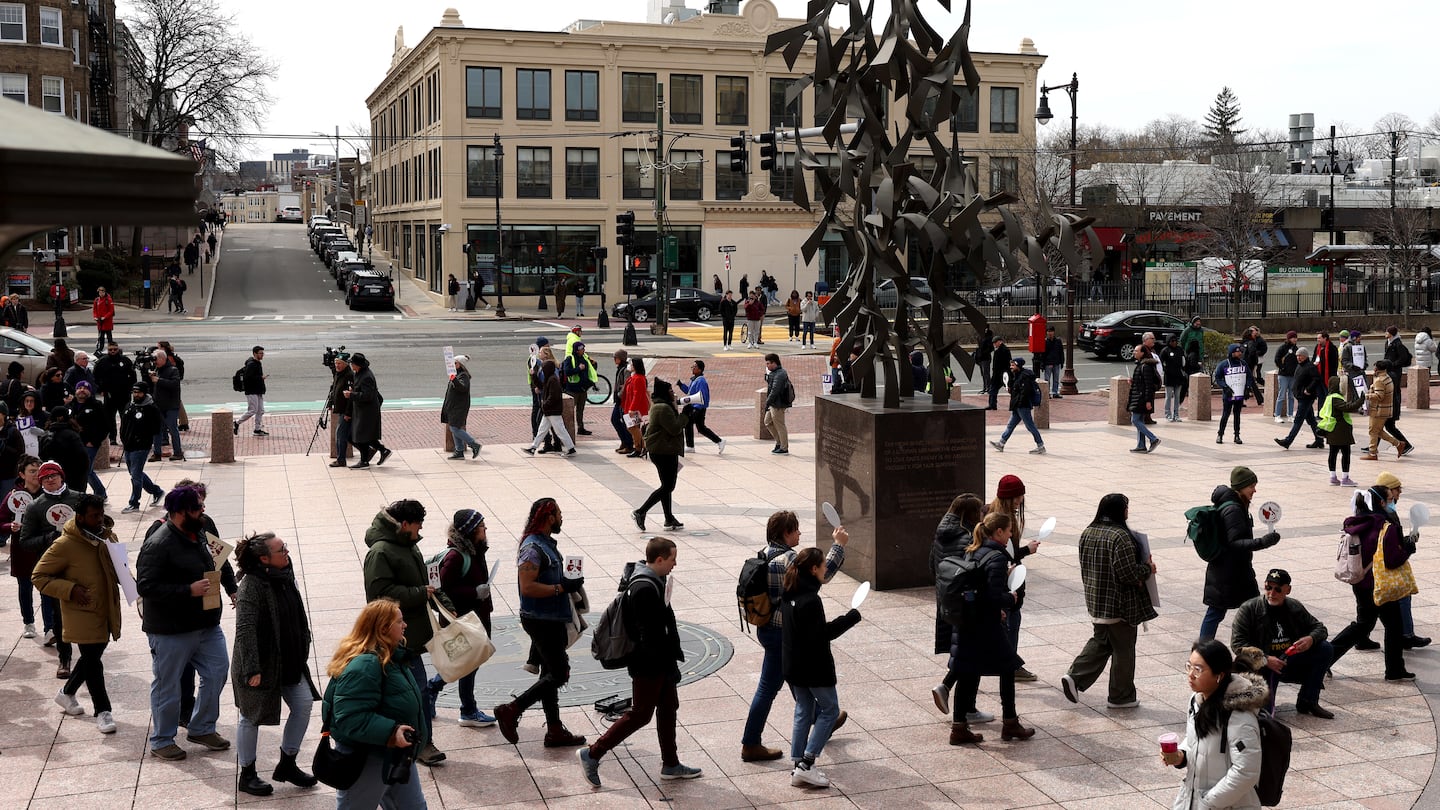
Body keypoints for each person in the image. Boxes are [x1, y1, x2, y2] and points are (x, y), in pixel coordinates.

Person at [578, 537, 701, 787]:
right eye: (672, 559)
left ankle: (671, 764)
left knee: (668, 708)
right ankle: (592, 753)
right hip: (649, 663)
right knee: (640, 714)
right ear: (658, 559)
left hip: (660, 661)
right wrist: (665, 662)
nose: (675, 564)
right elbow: (649, 634)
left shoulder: (653, 579)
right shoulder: (645, 588)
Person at [740, 511, 849, 761]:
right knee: (769, 688)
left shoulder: (764, 554)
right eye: (796, 530)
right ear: (786, 534)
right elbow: (822, 573)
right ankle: (751, 742)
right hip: (784, 633)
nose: (800, 533)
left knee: (795, 682)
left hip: (767, 628)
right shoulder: (789, 560)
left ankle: (821, 719)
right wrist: (838, 546)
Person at [135, 485, 231, 760]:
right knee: (168, 684)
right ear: (180, 512)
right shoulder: (158, 543)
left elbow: (218, 560)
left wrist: (230, 587)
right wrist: (187, 590)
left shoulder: (199, 532)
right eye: (197, 508)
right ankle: (162, 739)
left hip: (207, 623)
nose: (203, 511)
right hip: (171, 629)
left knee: (217, 672)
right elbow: (146, 586)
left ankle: (201, 727)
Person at [362, 499, 451, 767]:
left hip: (410, 636)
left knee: (415, 693)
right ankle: (420, 744)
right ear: (404, 524)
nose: (420, 529)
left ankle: (418, 742)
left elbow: (425, 581)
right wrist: (419, 594)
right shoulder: (380, 552)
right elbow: (378, 596)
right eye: (418, 524)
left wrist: (444, 604)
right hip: (393, 640)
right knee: (414, 694)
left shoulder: (407, 545)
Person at [493, 498, 588, 748]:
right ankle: (511, 710)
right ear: (549, 517)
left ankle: (554, 730)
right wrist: (560, 587)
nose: (561, 517)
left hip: (552, 617)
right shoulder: (532, 548)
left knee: (548, 674)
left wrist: (569, 580)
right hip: (542, 620)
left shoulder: (545, 544)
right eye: (559, 513)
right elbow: (527, 587)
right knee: (559, 673)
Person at [230, 532, 320, 796]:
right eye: (281, 550)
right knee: (251, 716)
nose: (287, 553)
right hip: (260, 664)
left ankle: (288, 763)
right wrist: (251, 669)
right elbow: (245, 629)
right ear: (264, 558)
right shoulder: (251, 585)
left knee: (303, 705)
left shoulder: (284, 575)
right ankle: (247, 775)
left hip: (289, 660)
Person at [323, 599, 427, 810]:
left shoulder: (392, 657)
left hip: (396, 754)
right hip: (367, 758)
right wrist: (392, 731)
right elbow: (350, 717)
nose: (404, 625)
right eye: (399, 621)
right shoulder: (366, 664)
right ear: (383, 628)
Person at [31, 494, 121, 734]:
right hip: (81, 611)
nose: (100, 520)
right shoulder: (64, 545)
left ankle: (66, 693)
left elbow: (119, 567)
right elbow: (38, 577)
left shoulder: (106, 537)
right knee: (93, 661)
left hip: (105, 608)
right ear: (80, 517)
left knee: (92, 656)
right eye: (94, 516)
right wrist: (70, 589)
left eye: (101, 514)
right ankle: (103, 711)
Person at [1060, 493, 1157, 711]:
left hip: (1097, 600)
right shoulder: (1120, 536)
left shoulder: (1088, 531)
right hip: (1119, 604)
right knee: (1123, 650)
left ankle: (1074, 677)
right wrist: (1147, 569)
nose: (1127, 512)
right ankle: (1121, 696)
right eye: (1126, 508)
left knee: (1102, 641)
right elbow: (1128, 574)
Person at [946, 512, 1036, 745]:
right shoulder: (996, 558)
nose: (1009, 536)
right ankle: (1010, 723)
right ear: (998, 532)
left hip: (967, 621)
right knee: (1008, 667)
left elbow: (979, 588)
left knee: (967, 671)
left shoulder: (973, 549)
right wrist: (1012, 598)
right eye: (1008, 531)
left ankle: (959, 727)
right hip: (986, 625)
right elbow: (995, 596)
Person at [780, 546, 863, 787]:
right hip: (814, 667)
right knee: (829, 710)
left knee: (803, 710)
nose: (826, 569)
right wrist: (850, 618)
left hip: (793, 665)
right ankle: (806, 763)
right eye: (824, 566)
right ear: (814, 569)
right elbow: (822, 634)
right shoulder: (811, 600)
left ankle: (797, 764)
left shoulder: (789, 590)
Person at [1328, 472, 1417, 681]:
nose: (1392, 502)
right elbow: (1391, 560)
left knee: (1365, 623)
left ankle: (1325, 658)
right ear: (1380, 502)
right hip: (1380, 585)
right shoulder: (1384, 526)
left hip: (1360, 581)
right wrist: (1408, 549)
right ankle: (1394, 670)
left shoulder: (1361, 521)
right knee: (1393, 626)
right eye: (1389, 499)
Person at [1160, 640, 1267, 809]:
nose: (1191, 674)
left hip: (1225, 804)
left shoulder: (1239, 717)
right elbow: (1194, 740)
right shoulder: (1197, 701)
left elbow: (1246, 772)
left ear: (1220, 675)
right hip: (1193, 799)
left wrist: (1208, 802)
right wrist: (1181, 755)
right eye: (1189, 666)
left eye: (1198, 670)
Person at [1229, 568, 1335, 718]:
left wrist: (1310, 639)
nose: (1272, 593)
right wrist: (1264, 658)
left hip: (1288, 659)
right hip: (1262, 666)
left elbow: (1319, 628)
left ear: (1288, 590)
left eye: (1278, 590)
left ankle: (1308, 701)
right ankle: (1263, 704)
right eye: (1268, 588)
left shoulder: (1294, 607)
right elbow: (1238, 645)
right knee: (1264, 714)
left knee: (1325, 648)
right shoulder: (1249, 609)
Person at [426, 510, 497, 729]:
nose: (486, 530)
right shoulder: (456, 556)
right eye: (482, 526)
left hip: (476, 616)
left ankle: (441, 693)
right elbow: (444, 588)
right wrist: (475, 593)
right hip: (463, 619)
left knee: (468, 662)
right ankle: (465, 709)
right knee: (467, 662)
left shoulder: (475, 550)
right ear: (471, 530)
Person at [1198, 466, 1281, 641]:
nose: (1254, 490)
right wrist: (1263, 542)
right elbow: (1234, 542)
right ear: (1241, 487)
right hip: (1229, 572)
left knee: (1249, 609)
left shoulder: (1235, 504)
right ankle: (1203, 650)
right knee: (1219, 611)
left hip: (1233, 570)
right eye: (1251, 486)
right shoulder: (1234, 509)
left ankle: (1257, 644)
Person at [929, 494, 992, 722]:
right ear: (971, 515)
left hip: (946, 602)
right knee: (971, 654)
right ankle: (967, 709)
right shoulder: (966, 537)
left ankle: (948, 689)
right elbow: (972, 572)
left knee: (965, 652)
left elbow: (932, 566)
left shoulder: (941, 532)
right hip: (965, 606)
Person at [18, 460, 83, 676]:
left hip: (81, 564)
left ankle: (88, 655)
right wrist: (48, 538)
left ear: (62, 476)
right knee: (58, 613)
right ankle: (64, 659)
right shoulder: (35, 506)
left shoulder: (79, 498)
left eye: (54, 475)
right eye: (45, 477)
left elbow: (99, 526)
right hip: (54, 567)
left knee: (85, 610)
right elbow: (25, 541)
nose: (50, 479)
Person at [984, 475, 1039, 681]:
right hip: (1005, 581)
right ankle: (1010, 665)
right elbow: (1006, 553)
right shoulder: (1000, 519)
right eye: (1018, 496)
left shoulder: (994, 514)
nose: (1021, 499)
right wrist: (1027, 550)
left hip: (1005, 578)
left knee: (1004, 624)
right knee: (1009, 623)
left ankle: (1008, 662)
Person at [632, 379, 687, 531]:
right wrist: (685, 416)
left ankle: (669, 518)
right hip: (663, 451)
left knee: (666, 486)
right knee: (668, 486)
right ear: (664, 392)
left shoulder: (663, 405)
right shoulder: (663, 408)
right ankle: (640, 512)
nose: (673, 393)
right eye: (670, 390)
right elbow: (675, 428)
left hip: (664, 449)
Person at [4, 454, 43, 638]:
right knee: (25, 586)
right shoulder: (14, 496)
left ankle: (51, 625)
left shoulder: (48, 493)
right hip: (22, 549)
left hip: (44, 548)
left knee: (48, 588)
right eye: (32, 471)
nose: (36, 475)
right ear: (22, 474)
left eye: (38, 470)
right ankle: (28, 622)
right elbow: (1, 519)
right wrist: (9, 527)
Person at [118, 383, 166, 514]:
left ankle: (134, 503)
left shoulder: (151, 408)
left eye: (139, 392)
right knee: (134, 473)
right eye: (134, 392)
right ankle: (156, 491)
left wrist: (144, 438)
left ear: (144, 393)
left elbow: (157, 428)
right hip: (128, 445)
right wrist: (123, 438)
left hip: (141, 446)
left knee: (136, 475)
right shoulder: (130, 406)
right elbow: (124, 424)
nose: (136, 395)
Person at [345, 353, 392, 468]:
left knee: (361, 436)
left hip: (367, 412)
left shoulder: (366, 376)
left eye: (352, 363)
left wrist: (351, 395)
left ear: (358, 365)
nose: (351, 365)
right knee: (363, 436)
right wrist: (353, 390)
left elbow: (367, 396)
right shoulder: (360, 373)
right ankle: (379, 452)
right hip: (362, 411)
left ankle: (366, 459)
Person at [989, 357, 1045, 455]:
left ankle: (1040, 446)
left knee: (1030, 426)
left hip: (1022, 406)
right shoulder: (1018, 375)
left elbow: (1025, 392)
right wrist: (1011, 390)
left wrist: (1018, 402)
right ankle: (1001, 444)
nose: (1011, 367)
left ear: (1018, 366)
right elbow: (1018, 391)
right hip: (1018, 406)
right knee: (1011, 425)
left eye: (1013, 365)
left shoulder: (1024, 377)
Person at [524, 358, 577, 457]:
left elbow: (554, 396)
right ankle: (533, 448)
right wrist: (533, 375)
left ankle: (571, 448)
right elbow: (541, 386)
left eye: (543, 368)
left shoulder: (552, 380)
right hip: (549, 411)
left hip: (552, 411)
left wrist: (544, 404)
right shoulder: (550, 378)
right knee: (543, 430)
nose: (542, 370)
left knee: (560, 430)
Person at [1275, 348, 1325, 449]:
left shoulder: (1310, 367)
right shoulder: (1300, 366)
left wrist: (1309, 389)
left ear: (1305, 356)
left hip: (1306, 397)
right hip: (1301, 396)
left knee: (1298, 420)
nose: (1298, 358)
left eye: (1300, 356)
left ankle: (1288, 441)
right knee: (1311, 420)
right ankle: (1319, 440)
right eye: (1297, 356)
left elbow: (1317, 379)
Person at [1319, 375, 1363, 486]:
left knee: (1333, 453)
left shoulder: (1329, 397)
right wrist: (1361, 400)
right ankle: (1345, 478)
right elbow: (1347, 407)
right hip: (1340, 430)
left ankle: (1333, 477)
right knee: (1346, 453)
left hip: (1332, 429)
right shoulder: (1336, 398)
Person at [70, 385, 108, 501]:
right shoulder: (70, 406)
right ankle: (100, 492)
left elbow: (105, 425)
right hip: (74, 443)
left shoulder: (96, 405)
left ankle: (97, 494)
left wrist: (95, 441)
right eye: (79, 387)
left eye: (85, 388)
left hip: (90, 444)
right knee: (84, 470)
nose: (82, 390)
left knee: (86, 469)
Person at [677, 359, 724, 454]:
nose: (692, 368)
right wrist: (681, 385)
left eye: (694, 367)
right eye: (692, 367)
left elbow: (701, 396)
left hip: (698, 408)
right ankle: (692, 446)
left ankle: (718, 441)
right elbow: (690, 393)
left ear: (700, 369)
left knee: (696, 426)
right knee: (696, 426)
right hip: (694, 407)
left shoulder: (701, 381)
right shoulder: (695, 379)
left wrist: (697, 409)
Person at [440, 355, 482, 459]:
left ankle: (474, 444)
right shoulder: (456, 375)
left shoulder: (463, 376)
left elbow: (463, 388)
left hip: (459, 407)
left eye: (455, 363)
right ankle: (459, 451)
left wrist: (454, 379)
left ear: (460, 364)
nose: (453, 365)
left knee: (454, 428)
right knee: (455, 427)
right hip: (453, 406)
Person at [93, 342, 135, 444]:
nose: (112, 351)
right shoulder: (102, 362)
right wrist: (101, 390)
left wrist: (131, 388)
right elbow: (95, 377)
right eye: (110, 350)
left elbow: (133, 376)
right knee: (109, 418)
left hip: (124, 394)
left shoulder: (125, 361)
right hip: (109, 395)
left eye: (114, 349)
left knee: (125, 417)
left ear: (118, 349)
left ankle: (125, 438)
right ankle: (112, 438)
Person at [1381, 326, 1413, 456]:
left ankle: (1405, 445)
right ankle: (1373, 448)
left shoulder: (1397, 344)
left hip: (1394, 372)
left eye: (1386, 332)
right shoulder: (1389, 343)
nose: (1385, 333)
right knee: (1383, 426)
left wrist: (1392, 365)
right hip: (1390, 405)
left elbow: (1403, 358)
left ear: (1391, 334)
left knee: (1384, 425)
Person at [1362, 359, 1403, 461]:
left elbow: (1379, 396)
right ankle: (1398, 444)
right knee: (1378, 431)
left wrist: (1366, 396)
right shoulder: (1387, 377)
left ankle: (1372, 453)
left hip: (1378, 410)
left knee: (1372, 431)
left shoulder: (1380, 380)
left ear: (1377, 368)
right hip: (1386, 409)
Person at [147, 349, 184, 461]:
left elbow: (174, 384)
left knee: (173, 429)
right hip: (158, 405)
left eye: (156, 359)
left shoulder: (173, 370)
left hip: (171, 406)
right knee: (156, 430)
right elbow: (152, 386)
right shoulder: (156, 370)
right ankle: (157, 453)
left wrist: (159, 380)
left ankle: (178, 452)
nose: (155, 362)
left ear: (163, 359)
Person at [1213, 343, 1252, 444]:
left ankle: (1237, 435)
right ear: (1232, 353)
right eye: (1237, 351)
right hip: (1228, 395)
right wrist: (1225, 387)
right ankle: (1220, 434)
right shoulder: (1224, 364)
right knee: (1225, 414)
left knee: (1237, 414)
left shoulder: (1243, 364)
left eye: (1240, 351)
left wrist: (1247, 387)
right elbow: (1218, 377)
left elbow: (1249, 376)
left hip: (1239, 394)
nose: (1240, 353)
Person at [1127, 345, 1161, 453]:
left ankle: (1153, 439)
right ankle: (1141, 445)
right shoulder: (1141, 365)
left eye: (1136, 351)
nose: (1134, 352)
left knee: (1135, 420)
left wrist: (1148, 401)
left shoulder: (1145, 366)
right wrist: (1134, 381)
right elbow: (1142, 382)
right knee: (1140, 420)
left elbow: (1148, 385)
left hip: (1141, 398)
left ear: (1142, 353)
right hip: (1139, 396)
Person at [561, 341, 598, 436]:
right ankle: (567, 428)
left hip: (583, 389)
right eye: (582, 349)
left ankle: (580, 428)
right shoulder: (570, 359)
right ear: (577, 350)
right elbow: (567, 372)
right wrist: (578, 369)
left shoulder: (584, 357)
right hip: (573, 389)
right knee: (569, 410)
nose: (584, 350)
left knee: (580, 410)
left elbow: (590, 369)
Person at [232, 346, 268, 437]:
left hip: (258, 390)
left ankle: (257, 429)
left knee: (260, 410)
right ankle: (236, 422)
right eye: (260, 353)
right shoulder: (251, 364)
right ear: (255, 354)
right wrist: (261, 378)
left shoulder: (257, 363)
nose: (262, 355)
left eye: (262, 353)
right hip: (252, 391)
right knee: (253, 410)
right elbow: (248, 378)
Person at [763, 353, 793, 455]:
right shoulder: (774, 373)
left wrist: (767, 403)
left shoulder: (780, 374)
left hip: (778, 404)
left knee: (780, 425)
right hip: (774, 403)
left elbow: (775, 390)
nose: (767, 366)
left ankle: (784, 447)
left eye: (768, 363)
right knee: (767, 422)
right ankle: (779, 442)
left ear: (774, 363)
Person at [328, 351, 354, 467]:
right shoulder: (338, 374)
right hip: (340, 410)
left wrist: (348, 413)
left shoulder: (349, 375)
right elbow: (335, 390)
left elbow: (350, 397)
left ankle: (341, 459)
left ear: (345, 364)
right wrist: (331, 402)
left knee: (340, 434)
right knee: (346, 435)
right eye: (336, 363)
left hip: (346, 411)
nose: (337, 365)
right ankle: (368, 449)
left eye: (339, 363)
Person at [622, 357, 649, 458]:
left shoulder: (639, 378)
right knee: (632, 427)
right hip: (631, 406)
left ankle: (639, 447)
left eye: (632, 364)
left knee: (633, 428)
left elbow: (637, 395)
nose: (630, 366)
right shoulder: (634, 377)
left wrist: (632, 408)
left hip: (636, 408)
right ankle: (640, 446)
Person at [608, 350, 633, 454]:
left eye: (616, 357)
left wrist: (620, 394)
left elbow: (627, 385)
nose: (614, 359)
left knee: (624, 422)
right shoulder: (620, 368)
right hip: (619, 400)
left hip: (623, 401)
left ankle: (629, 444)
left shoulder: (626, 370)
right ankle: (624, 441)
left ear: (621, 358)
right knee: (615, 420)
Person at [1273, 331, 1299, 423]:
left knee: (1291, 396)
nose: (1295, 339)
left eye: (1295, 337)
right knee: (1281, 395)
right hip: (1283, 375)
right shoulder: (1282, 348)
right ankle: (1277, 414)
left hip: (1293, 375)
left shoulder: (1296, 349)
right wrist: (1282, 368)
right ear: (1288, 338)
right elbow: (1277, 359)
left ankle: (1290, 415)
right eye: (1293, 337)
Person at [1159, 334, 1186, 421]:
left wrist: (1183, 371)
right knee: (1168, 396)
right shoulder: (1165, 351)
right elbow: (1161, 363)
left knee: (1177, 396)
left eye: (1175, 341)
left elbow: (1183, 361)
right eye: (1172, 341)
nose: (1174, 343)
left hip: (1178, 377)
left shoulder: (1179, 350)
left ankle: (1176, 414)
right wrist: (1166, 370)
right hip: (1169, 377)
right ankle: (1168, 414)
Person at [0, 402, 24, 500]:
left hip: (8, 477)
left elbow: (20, 454)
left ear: (4, 414)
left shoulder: (13, 432)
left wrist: (3, 447)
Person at [986, 336, 1010, 410]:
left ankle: (992, 404)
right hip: (1001, 373)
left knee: (993, 389)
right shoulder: (1002, 350)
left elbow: (1003, 364)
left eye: (995, 343)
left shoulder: (1002, 351)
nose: (994, 344)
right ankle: (992, 404)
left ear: (999, 342)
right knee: (995, 389)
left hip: (999, 374)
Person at [1041, 326, 1064, 398]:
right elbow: (1043, 354)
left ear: (1054, 332)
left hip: (1056, 362)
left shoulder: (1058, 341)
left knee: (1056, 379)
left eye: (1051, 331)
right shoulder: (1045, 342)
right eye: (1048, 331)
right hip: (1048, 363)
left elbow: (1061, 352)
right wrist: (1042, 364)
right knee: (1047, 379)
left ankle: (1055, 392)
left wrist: (1062, 361)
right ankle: (1047, 393)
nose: (1049, 333)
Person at [90, 288, 115, 353]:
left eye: (102, 292)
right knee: (101, 336)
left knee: (109, 336)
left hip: (107, 321)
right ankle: (100, 348)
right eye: (99, 293)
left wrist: (105, 317)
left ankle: (111, 348)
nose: (101, 294)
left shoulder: (108, 300)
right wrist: (95, 316)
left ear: (104, 292)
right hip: (100, 321)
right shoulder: (96, 300)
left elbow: (111, 311)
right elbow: (94, 309)